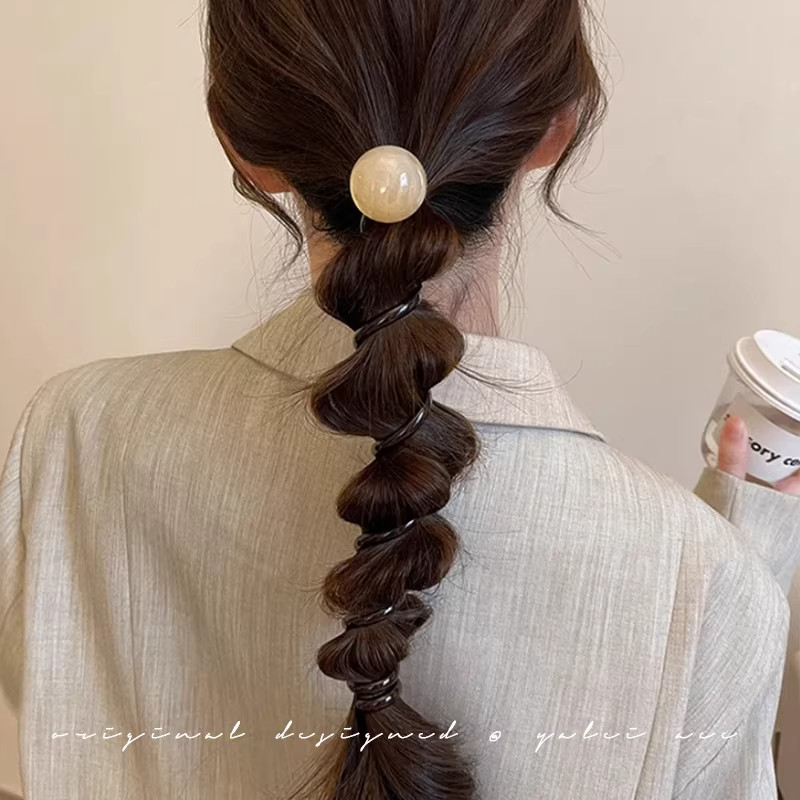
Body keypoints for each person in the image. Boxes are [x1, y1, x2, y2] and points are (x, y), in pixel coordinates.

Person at [1, 0, 799, 798]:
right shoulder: (703, 580)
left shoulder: (76, 442)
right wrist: (724, 601)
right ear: (557, 127)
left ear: (240, 143)